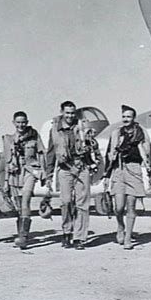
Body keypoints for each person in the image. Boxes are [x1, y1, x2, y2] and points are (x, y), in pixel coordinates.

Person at [46, 101, 101, 250]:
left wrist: (93, 163)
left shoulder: (83, 127)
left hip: (81, 166)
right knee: (66, 202)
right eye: (67, 113)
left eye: (72, 113)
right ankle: (67, 232)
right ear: (62, 112)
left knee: (82, 203)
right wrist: (49, 174)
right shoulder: (55, 130)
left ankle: (79, 238)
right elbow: (51, 152)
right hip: (65, 169)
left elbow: (92, 147)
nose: (70, 116)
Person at [103, 105, 151, 250]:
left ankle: (127, 238)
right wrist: (107, 176)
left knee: (131, 206)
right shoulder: (116, 133)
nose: (126, 119)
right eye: (124, 117)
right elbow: (109, 154)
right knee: (119, 207)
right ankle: (120, 226)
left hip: (134, 169)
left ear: (133, 118)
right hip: (118, 169)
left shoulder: (140, 133)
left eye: (129, 117)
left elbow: (148, 153)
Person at [2, 111, 47, 250]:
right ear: (13, 123)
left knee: (26, 199)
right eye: (18, 122)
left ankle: (23, 236)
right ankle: (20, 233)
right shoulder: (8, 139)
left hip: (30, 171)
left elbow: (41, 154)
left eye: (23, 122)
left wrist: (44, 173)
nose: (21, 125)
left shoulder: (34, 136)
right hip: (15, 173)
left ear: (27, 122)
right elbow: (6, 161)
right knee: (18, 204)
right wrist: (5, 181)